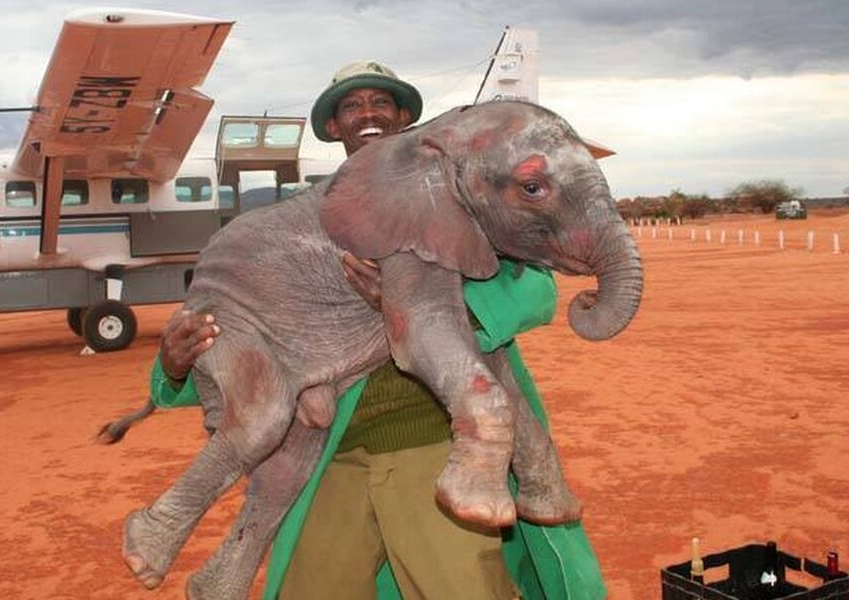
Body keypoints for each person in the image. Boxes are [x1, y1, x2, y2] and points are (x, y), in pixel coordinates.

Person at [147, 61, 607, 599]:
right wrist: (174, 366)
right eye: (351, 106)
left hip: (433, 451)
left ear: (405, 119)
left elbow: (535, 292)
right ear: (334, 128)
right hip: (328, 456)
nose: (367, 113)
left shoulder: (463, 203)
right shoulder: (300, 223)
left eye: (380, 103)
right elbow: (240, 372)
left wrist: (419, 305)